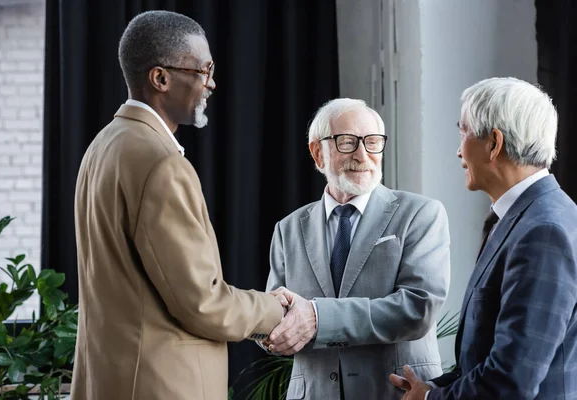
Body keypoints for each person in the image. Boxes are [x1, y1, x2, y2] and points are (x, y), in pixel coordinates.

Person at [71, 11, 289, 400]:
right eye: (203, 71)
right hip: (162, 386)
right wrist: (273, 309)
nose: (212, 83)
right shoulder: (163, 163)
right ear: (161, 78)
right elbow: (202, 302)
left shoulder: (102, 146)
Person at [389, 77, 577, 399]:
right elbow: (486, 359)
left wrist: (429, 398)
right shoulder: (530, 216)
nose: (457, 149)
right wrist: (434, 387)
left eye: (462, 132)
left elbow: (511, 381)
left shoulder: (543, 231)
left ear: (494, 143)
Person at [262, 98, 451, 399]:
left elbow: (418, 308)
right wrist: (269, 327)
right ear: (317, 153)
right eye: (348, 142)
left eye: (373, 142)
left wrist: (318, 317)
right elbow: (276, 316)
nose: (363, 155)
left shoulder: (421, 214)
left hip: (394, 393)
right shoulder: (288, 228)